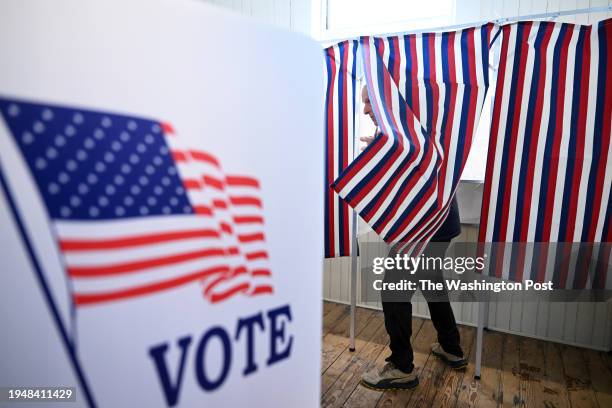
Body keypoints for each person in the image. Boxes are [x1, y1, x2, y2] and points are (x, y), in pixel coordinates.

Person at [358, 86, 467, 391]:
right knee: (431, 281)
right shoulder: (412, 124)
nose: (365, 110)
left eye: (368, 102)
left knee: (394, 288)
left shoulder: (404, 130)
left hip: (421, 223)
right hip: (443, 220)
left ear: (384, 101)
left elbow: (409, 177)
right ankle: (451, 347)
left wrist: (383, 155)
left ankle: (402, 366)